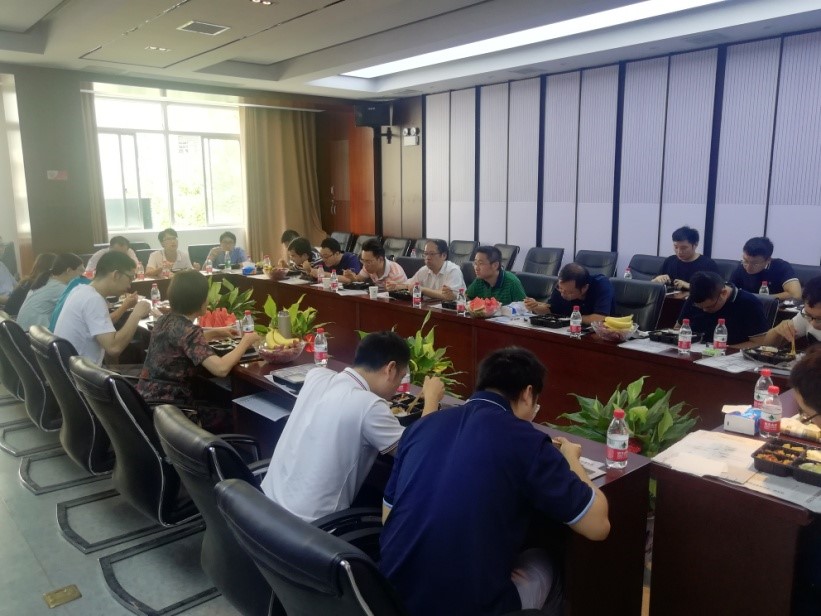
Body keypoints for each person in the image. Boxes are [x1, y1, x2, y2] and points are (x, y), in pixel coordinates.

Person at [379, 347, 610, 616]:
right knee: (548, 561)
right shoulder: (527, 441)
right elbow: (598, 526)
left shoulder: (421, 426)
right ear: (528, 394)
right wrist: (572, 460)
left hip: (390, 598)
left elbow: (388, 518)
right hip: (467, 607)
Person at [260, 331, 445, 522]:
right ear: (390, 369)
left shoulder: (317, 375)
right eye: (401, 378)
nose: (397, 387)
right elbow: (418, 451)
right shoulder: (369, 405)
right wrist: (431, 400)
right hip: (310, 527)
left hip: (265, 507)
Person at [137, 270, 259, 431]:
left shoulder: (164, 320)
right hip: (174, 412)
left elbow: (183, 340)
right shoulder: (189, 331)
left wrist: (218, 331)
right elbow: (221, 369)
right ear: (200, 300)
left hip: (146, 403)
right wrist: (245, 342)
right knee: (238, 415)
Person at [54, 251, 151, 365]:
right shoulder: (93, 299)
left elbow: (101, 325)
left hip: (70, 369)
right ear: (116, 275)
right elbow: (114, 348)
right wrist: (136, 314)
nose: (130, 286)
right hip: (81, 373)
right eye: (130, 278)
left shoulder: (80, 290)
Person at [676, 271, 769, 345]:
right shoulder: (694, 298)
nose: (704, 310)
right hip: (693, 351)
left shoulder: (750, 304)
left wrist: (725, 351)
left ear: (723, 293)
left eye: (709, 306)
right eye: (700, 307)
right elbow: (678, 328)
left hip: (728, 357)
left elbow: (758, 342)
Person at [525, 263, 614, 323]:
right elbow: (551, 310)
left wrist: (570, 319)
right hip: (567, 329)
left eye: (570, 293)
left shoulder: (601, 285)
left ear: (584, 288)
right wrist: (535, 307)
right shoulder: (562, 286)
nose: (563, 294)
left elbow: (600, 318)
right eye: (560, 289)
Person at [16, 253, 84, 331]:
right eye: (81, 271)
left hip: (24, 331)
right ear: (69, 271)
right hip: (33, 334)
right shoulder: (59, 288)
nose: (82, 275)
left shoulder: (47, 281)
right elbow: (81, 306)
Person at [755, 276, 821, 349]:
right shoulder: (806, 315)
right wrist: (777, 331)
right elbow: (765, 346)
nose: (813, 324)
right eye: (808, 314)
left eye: (819, 319)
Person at [387, 239, 465, 300]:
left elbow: (447, 296)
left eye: (432, 254)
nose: (427, 258)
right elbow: (410, 285)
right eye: (425, 254)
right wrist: (396, 286)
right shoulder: (424, 270)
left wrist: (423, 290)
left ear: (444, 255)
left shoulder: (453, 270)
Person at [729, 236, 801, 300]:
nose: (748, 267)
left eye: (755, 264)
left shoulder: (781, 267)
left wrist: (762, 299)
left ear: (768, 260)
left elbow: (796, 295)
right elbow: (729, 291)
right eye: (745, 260)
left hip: (774, 309)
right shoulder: (740, 267)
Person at [652, 226, 719, 290]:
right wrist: (657, 280)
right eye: (676, 247)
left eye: (684, 248)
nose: (679, 251)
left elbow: (717, 290)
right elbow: (651, 284)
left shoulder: (708, 264)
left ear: (695, 244)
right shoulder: (669, 261)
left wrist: (690, 286)